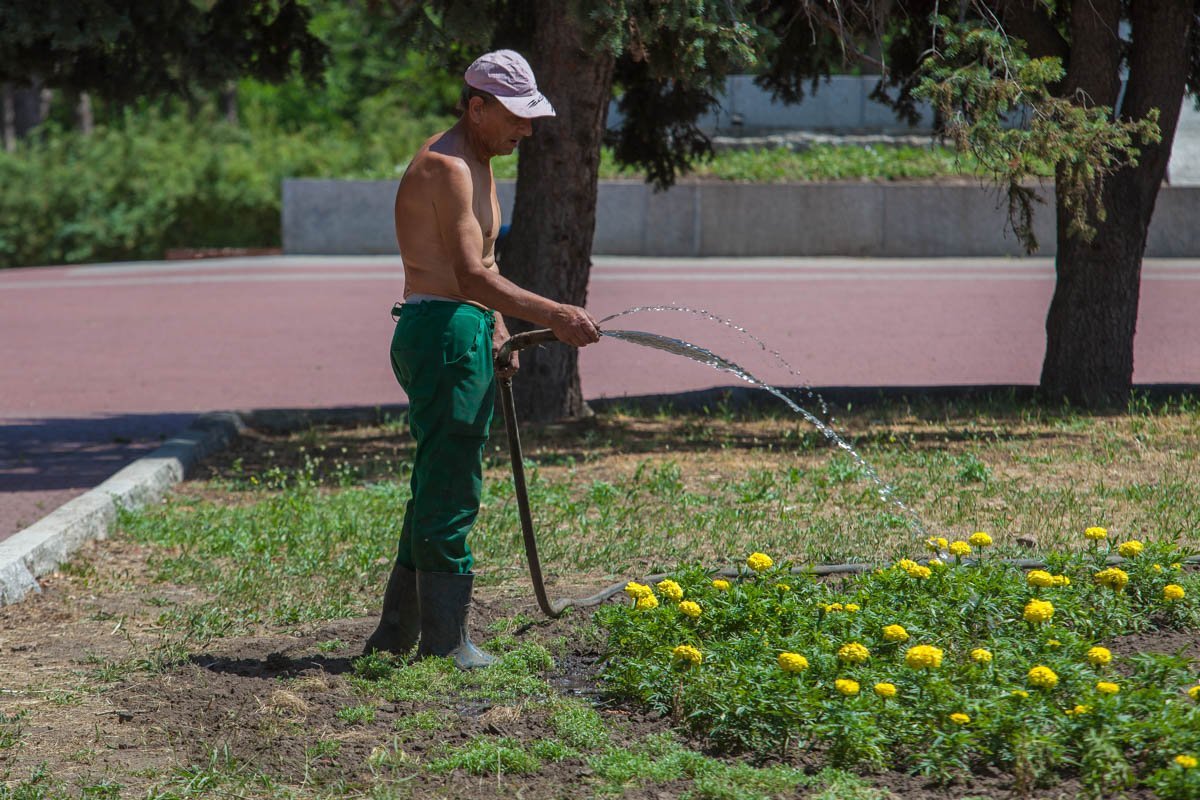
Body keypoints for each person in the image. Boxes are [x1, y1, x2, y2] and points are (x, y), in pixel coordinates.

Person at [364, 50, 601, 669]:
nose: (526, 130)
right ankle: (446, 644)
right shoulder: (448, 166)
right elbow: (467, 274)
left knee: (436, 480)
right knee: (452, 484)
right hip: (440, 331)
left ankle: (395, 636)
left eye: (530, 118)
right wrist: (552, 314)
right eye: (516, 119)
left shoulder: (479, 157)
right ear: (476, 107)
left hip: (459, 326)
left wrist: (496, 324)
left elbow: (483, 265)